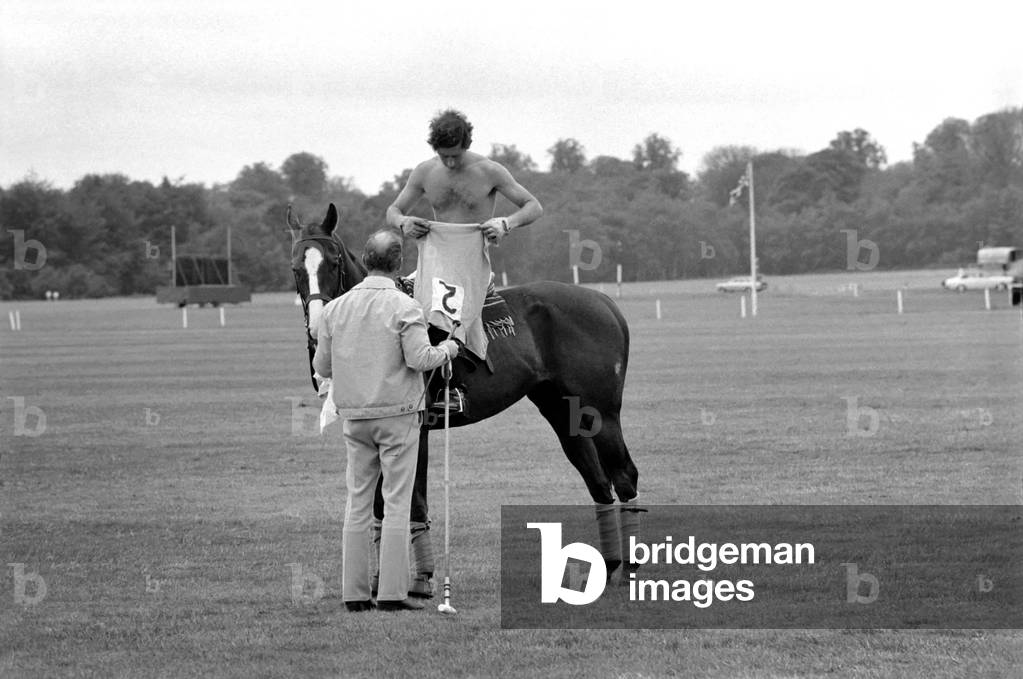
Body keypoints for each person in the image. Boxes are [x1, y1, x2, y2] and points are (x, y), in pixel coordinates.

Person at [313, 230, 459, 612]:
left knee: (358, 502)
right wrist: (448, 349)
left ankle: (355, 595)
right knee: (395, 502)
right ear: (398, 264)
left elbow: (322, 366)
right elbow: (419, 359)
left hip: (355, 420)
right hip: (397, 418)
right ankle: (393, 594)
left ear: (366, 258)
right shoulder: (405, 306)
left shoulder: (334, 309)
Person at [385, 109, 543, 408]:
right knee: (403, 307)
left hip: (471, 263)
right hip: (434, 261)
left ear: (466, 145)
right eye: (444, 156)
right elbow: (392, 210)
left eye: (456, 155)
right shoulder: (424, 172)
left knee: (447, 309)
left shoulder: (490, 170)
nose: (451, 162)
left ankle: (453, 388)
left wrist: (506, 223)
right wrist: (403, 222)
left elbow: (533, 206)